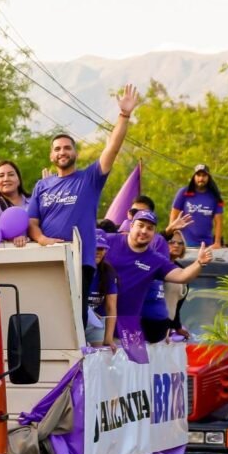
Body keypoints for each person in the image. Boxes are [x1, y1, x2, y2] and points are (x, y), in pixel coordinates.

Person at [28, 84, 140, 326]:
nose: (62, 152)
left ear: (75, 153)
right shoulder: (42, 186)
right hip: (48, 258)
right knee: (45, 317)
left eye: (67, 147)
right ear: (51, 156)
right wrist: (42, 240)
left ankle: (78, 363)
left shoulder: (90, 179)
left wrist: (124, 115)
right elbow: (32, 223)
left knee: (73, 318)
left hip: (80, 260)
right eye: (57, 149)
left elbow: (113, 148)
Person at [102, 210, 212, 361]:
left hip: (128, 328)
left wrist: (199, 263)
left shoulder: (155, 260)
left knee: (134, 376)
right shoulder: (109, 241)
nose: (144, 231)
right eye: (140, 225)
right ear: (132, 225)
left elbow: (182, 275)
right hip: (99, 322)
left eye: (149, 228)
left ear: (153, 232)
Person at [170, 164, 224, 248]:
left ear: (208, 177)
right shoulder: (184, 192)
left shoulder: (215, 196)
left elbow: (219, 221)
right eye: (198, 175)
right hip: (185, 242)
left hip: (206, 244)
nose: (201, 178)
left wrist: (217, 242)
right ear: (194, 177)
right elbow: (174, 215)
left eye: (204, 176)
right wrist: (172, 236)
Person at [86, 229, 118, 347]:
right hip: (76, 323)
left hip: (97, 325)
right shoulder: (76, 268)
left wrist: (109, 338)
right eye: (94, 247)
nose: (97, 251)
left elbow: (111, 307)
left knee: (99, 357)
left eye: (101, 248)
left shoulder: (108, 273)